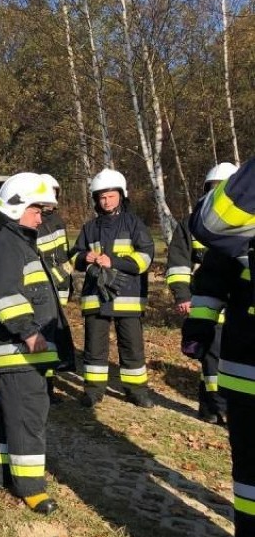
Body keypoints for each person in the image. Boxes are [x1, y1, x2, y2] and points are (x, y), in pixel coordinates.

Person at [0, 173, 73, 515]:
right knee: (28, 418)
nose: (42, 215)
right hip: (19, 351)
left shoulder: (18, 242)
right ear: (18, 205)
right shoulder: (7, 244)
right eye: (37, 208)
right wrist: (30, 332)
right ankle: (31, 488)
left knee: (8, 414)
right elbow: (3, 296)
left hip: (17, 352)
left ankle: (0, 474)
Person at [182, 156, 255, 537]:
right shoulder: (235, 231)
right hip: (246, 365)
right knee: (249, 475)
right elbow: (211, 279)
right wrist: (199, 324)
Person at [72, 169, 155, 409]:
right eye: (101, 197)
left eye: (110, 196)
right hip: (95, 297)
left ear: (121, 195)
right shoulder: (90, 227)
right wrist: (83, 257)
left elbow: (146, 257)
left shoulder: (134, 224)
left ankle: (137, 391)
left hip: (127, 296)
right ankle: (93, 391)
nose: (106, 201)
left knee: (131, 347)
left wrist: (114, 262)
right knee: (94, 348)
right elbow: (73, 258)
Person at [166, 163, 238, 424]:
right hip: (204, 302)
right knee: (212, 356)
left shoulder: (245, 222)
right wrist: (182, 296)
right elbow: (178, 263)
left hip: (237, 306)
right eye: (213, 188)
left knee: (224, 357)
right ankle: (220, 408)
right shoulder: (192, 223)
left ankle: (209, 408)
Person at [37, 174, 73, 403]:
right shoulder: (33, 221)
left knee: (52, 339)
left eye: (55, 193)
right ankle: (44, 389)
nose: (52, 198)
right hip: (41, 290)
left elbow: (64, 254)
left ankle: (48, 387)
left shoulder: (58, 221)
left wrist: (65, 280)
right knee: (43, 338)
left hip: (58, 289)